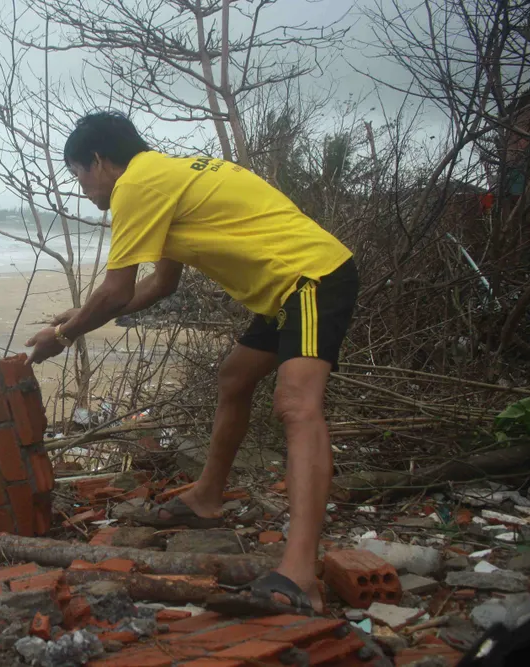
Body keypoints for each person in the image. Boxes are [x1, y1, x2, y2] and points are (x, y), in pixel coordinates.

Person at [25, 111, 358, 615]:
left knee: (296, 404)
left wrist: (64, 335)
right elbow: (161, 285)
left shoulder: (136, 185)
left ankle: (299, 575)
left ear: (100, 161)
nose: (84, 191)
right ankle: (206, 497)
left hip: (311, 277)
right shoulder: (167, 176)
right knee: (234, 377)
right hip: (283, 289)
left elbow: (115, 293)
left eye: (79, 175)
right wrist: (79, 315)